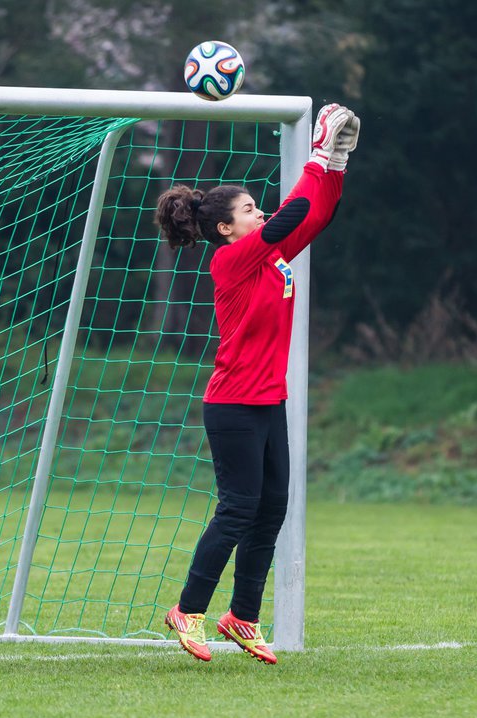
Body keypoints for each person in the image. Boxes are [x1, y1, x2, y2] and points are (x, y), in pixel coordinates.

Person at [153, 103, 360, 664]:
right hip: (233, 406)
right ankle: (187, 610)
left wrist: (336, 166)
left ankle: (241, 616)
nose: (259, 212)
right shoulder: (232, 262)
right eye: (249, 209)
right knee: (238, 509)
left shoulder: (270, 257)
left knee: (272, 508)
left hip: (268, 404)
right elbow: (292, 216)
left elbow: (313, 219)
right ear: (226, 229)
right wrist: (316, 156)